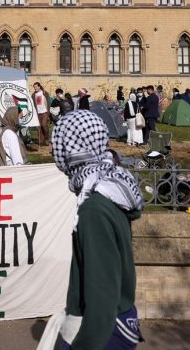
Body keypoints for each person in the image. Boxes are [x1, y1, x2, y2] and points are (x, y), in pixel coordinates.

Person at [51, 110, 144, 349]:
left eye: (59, 144)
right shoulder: (107, 188)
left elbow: (102, 296)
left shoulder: (93, 208)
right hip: (114, 325)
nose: (55, 153)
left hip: (102, 331)